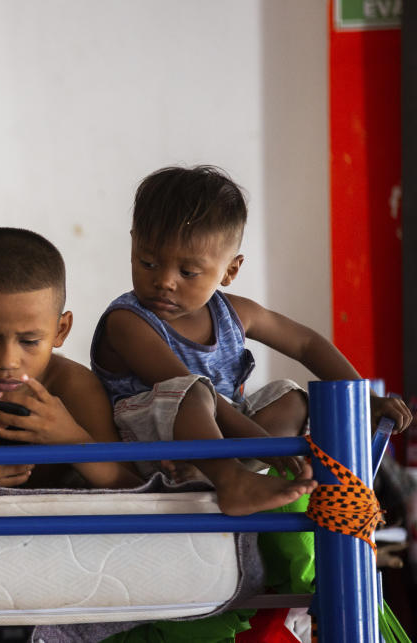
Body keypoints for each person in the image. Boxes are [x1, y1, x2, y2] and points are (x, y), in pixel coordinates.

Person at [90, 165, 413, 515]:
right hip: (156, 450)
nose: (164, 281)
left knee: (292, 399)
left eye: (187, 272)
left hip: (227, 443)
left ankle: (217, 472)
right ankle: (231, 480)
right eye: (148, 262)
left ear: (230, 270)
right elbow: (197, 393)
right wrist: (264, 444)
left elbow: (305, 343)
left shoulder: (235, 314)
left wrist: (365, 397)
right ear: (133, 243)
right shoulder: (128, 322)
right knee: (193, 391)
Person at [0, 227, 141, 489]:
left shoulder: (73, 387)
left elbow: (131, 488)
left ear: (61, 330)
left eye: (29, 341)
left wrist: (72, 440)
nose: (8, 361)